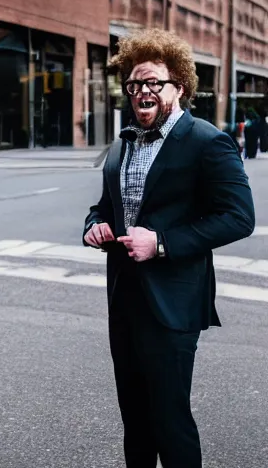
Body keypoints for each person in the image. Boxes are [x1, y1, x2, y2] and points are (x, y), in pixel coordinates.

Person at [82, 28, 255, 468]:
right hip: (124, 299)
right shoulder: (122, 145)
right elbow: (104, 206)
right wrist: (96, 225)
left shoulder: (206, 141)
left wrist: (160, 243)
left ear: (179, 86)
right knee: (135, 420)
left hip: (173, 303)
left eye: (153, 82)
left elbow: (239, 217)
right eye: (134, 83)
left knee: (169, 419)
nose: (142, 91)